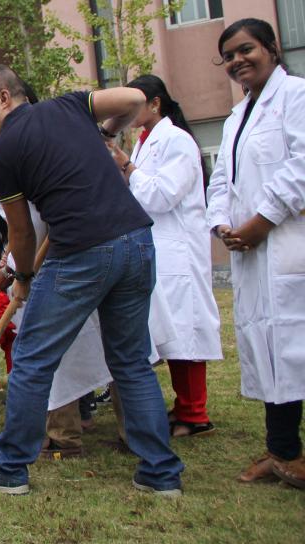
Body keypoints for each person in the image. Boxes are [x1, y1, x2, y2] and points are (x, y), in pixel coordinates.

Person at [0, 65, 183, 496]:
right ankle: (160, 473)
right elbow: (135, 99)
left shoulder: (1, 153)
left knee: (32, 359)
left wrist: (23, 278)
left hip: (81, 252)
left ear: (3, 98)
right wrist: (107, 133)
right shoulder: (71, 105)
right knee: (131, 362)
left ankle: (9, 468)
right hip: (136, 241)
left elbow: (22, 233)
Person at [0, 99, 112, 460]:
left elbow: (38, 223)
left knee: (57, 350)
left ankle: (63, 434)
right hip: (49, 261)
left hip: (70, 257)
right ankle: (63, 429)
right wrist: (10, 261)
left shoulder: (17, 155)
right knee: (57, 351)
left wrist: (24, 272)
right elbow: (16, 228)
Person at [206, 19, 305, 489]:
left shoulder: (297, 97)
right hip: (250, 250)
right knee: (270, 346)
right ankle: (282, 450)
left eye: (245, 50)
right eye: (228, 56)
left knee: (294, 344)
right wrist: (222, 224)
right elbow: (221, 180)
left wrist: (261, 223)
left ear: (271, 47)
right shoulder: (235, 118)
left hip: (288, 243)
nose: (237, 61)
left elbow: (301, 168)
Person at [107, 74, 224, 438]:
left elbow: (162, 195)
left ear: (155, 104)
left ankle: (196, 413)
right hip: (158, 247)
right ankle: (184, 406)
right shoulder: (146, 142)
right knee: (172, 333)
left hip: (179, 251)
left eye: (135, 105)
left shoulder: (177, 141)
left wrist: (127, 167)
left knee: (187, 331)